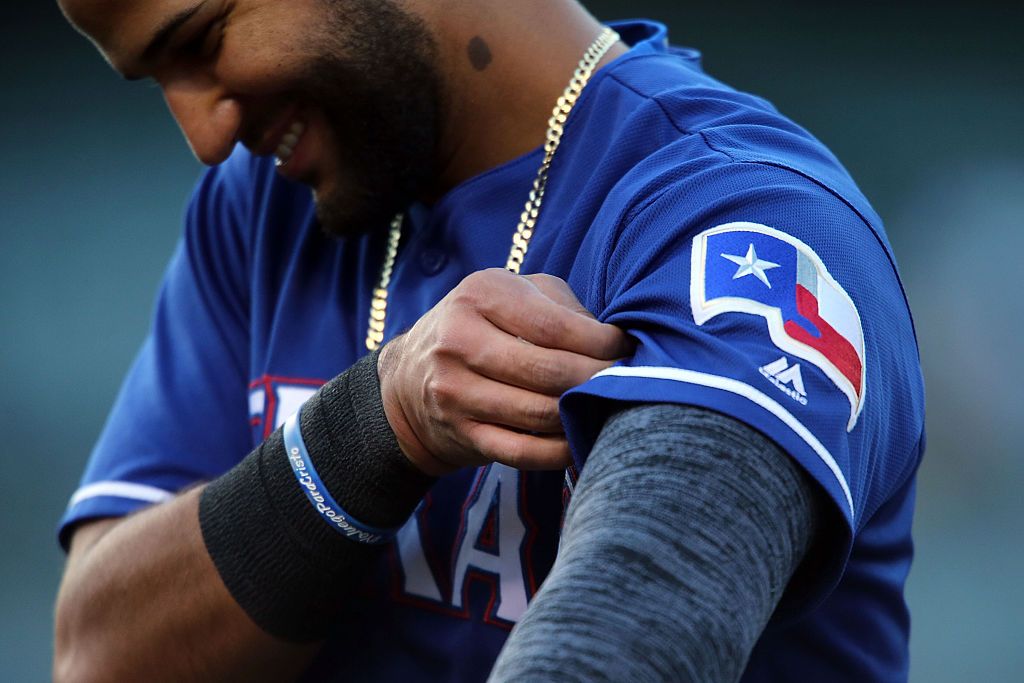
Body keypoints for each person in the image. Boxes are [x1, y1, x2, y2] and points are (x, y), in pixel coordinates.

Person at [53, 0, 925, 681]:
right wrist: (370, 428)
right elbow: (100, 656)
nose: (204, 134)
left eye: (204, 38)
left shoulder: (741, 218)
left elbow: (636, 637)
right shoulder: (262, 209)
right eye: (154, 77)